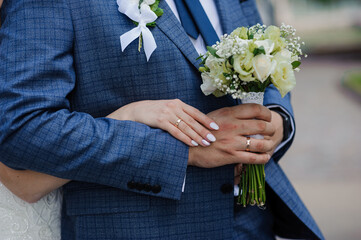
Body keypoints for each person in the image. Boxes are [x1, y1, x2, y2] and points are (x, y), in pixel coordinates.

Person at [0, 0, 324, 239]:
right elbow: (24, 127)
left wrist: (276, 120)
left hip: (251, 224)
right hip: (138, 228)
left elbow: (266, 53)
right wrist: (187, 151)